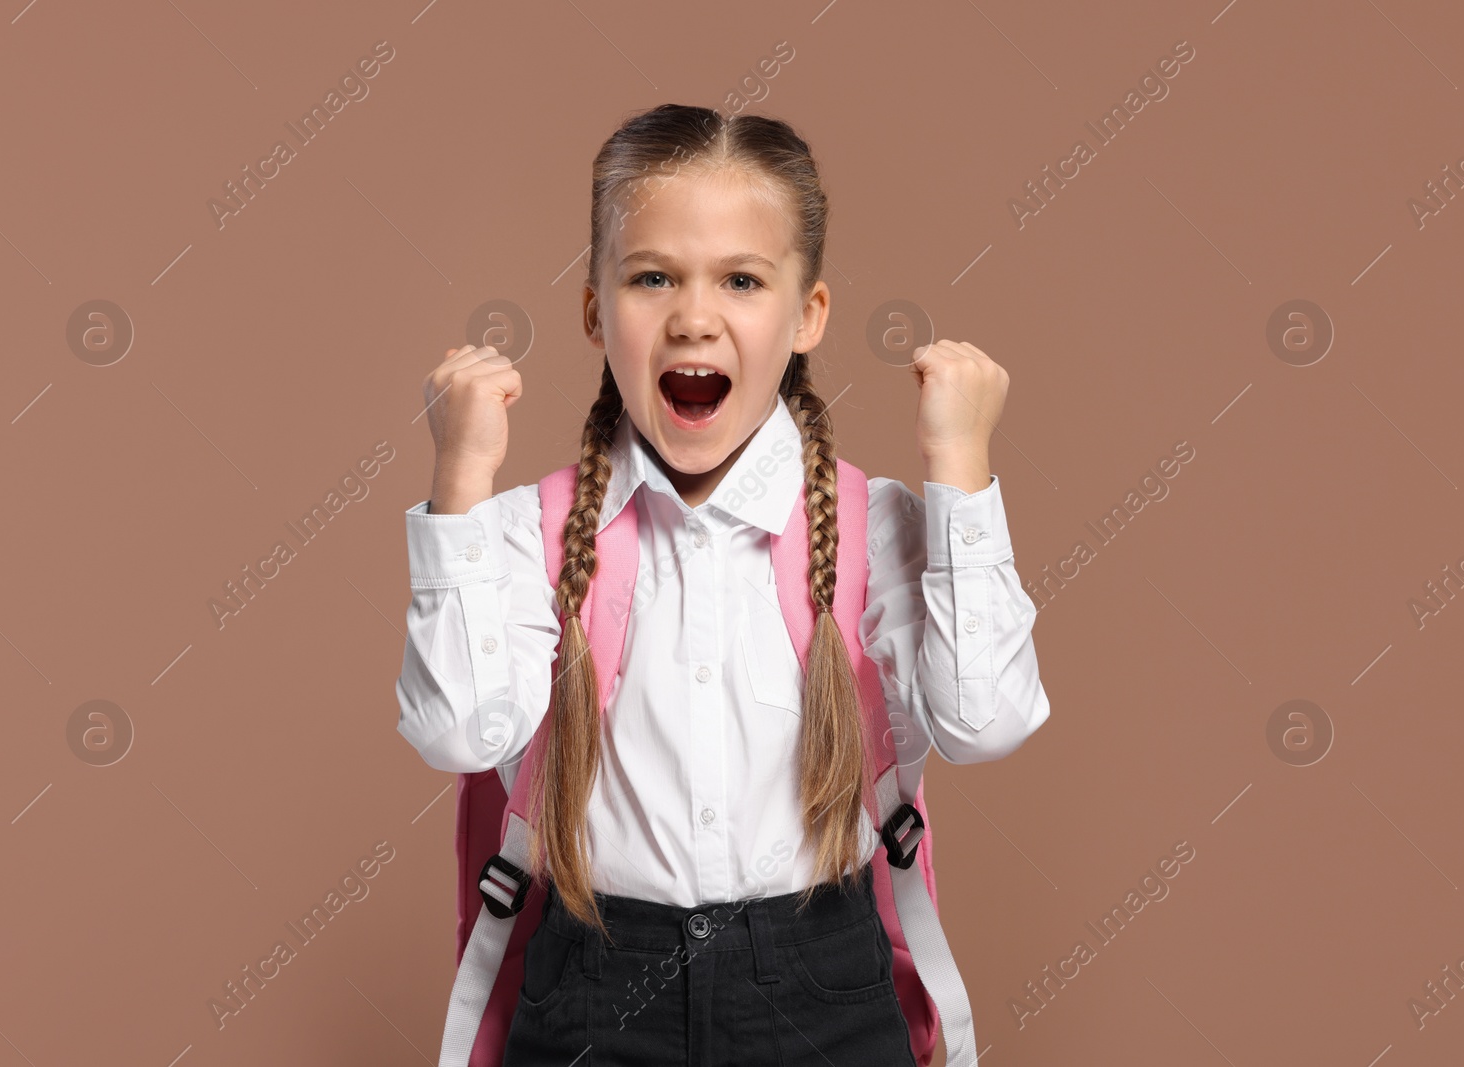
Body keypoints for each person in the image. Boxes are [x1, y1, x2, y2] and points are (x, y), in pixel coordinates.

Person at [396, 102, 1051, 1066]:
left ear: (806, 315)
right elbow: (458, 732)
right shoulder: (520, 531)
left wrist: (959, 463)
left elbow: (983, 721)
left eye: (741, 280)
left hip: (823, 985)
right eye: (651, 276)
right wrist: (458, 479)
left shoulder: (877, 525)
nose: (694, 315)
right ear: (594, 310)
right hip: (593, 989)